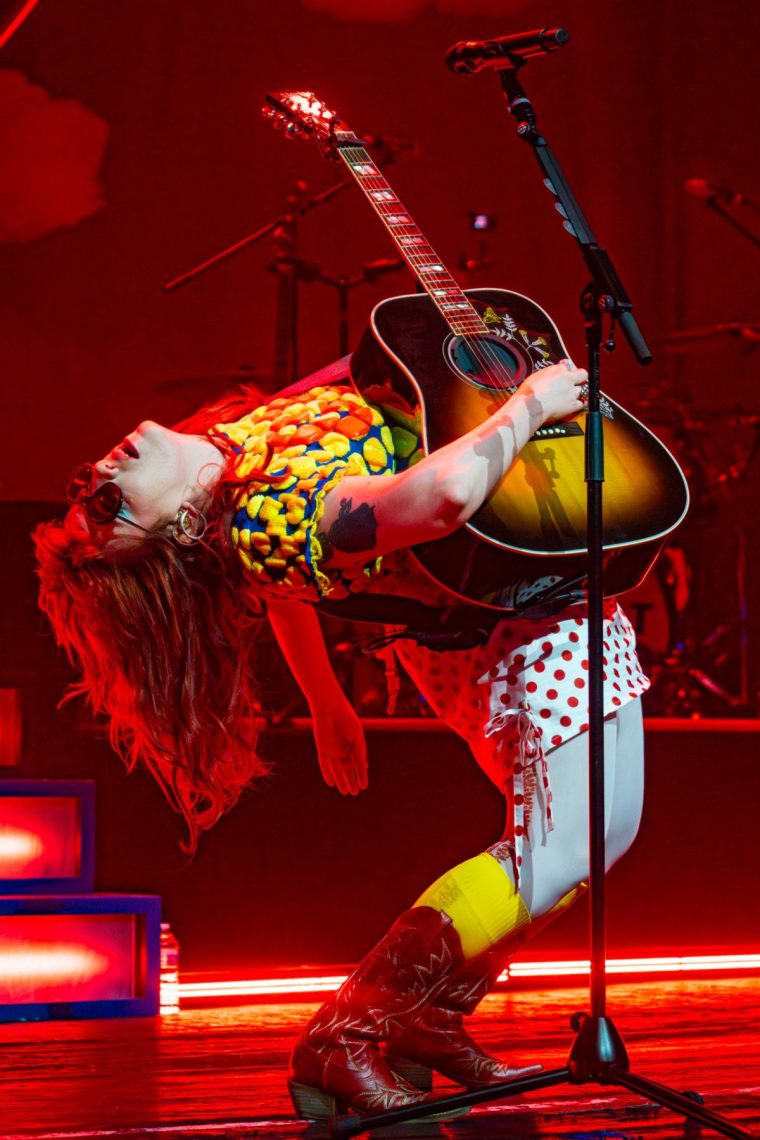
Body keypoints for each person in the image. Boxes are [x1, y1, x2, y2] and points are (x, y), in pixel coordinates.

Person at [34, 354, 648, 1121]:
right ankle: (348, 1031)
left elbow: (295, 573)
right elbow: (441, 497)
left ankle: (428, 1019)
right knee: (561, 852)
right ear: (178, 529)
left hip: (528, 600)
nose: (99, 475)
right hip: (511, 627)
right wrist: (530, 401)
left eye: (82, 489)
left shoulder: (234, 456)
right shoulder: (263, 528)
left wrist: (328, 701)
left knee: (598, 839)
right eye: (104, 506)